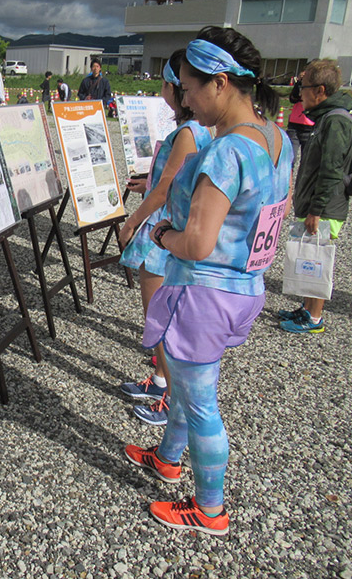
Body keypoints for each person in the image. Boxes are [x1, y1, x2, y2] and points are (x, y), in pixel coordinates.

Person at [125, 26, 292, 536]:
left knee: (199, 400)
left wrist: (162, 230)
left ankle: (210, 509)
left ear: (220, 83)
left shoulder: (226, 151)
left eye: (190, 88)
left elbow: (197, 243)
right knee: (187, 388)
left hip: (204, 292)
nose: (187, 101)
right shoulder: (278, 139)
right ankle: (168, 458)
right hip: (245, 288)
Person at [118, 49, 213, 427]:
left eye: (165, 82)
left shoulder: (188, 133)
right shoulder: (194, 130)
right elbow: (168, 182)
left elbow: (166, 190)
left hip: (160, 232)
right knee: (161, 317)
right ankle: (160, 382)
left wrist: (131, 223)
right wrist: (149, 182)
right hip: (166, 228)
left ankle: (171, 400)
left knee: (159, 319)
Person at [278, 59, 352, 334]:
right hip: (318, 205)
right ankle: (308, 308)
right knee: (310, 256)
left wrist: (316, 210)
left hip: (325, 208)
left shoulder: (334, 122)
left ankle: (315, 317)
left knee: (319, 259)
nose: (300, 93)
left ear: (320, 90)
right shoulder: (327, 118)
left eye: (304, 86)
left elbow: (332, 170)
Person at [286, 70, 315, 158]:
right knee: (291, 157)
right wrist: (299, 82)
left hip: (309, 126)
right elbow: (293, 98)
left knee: (306, 159)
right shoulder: (300, 86)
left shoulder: (317, 88)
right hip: (294, 125)